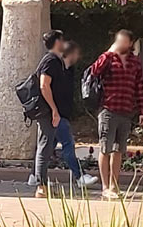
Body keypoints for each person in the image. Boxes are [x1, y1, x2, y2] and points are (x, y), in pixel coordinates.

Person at [89, 28, 143, 200]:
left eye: (123, 41)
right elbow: (94, 71)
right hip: (108, 109)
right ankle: (105, 187)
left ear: (130, 43)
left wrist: (142, 110)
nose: (120, 43)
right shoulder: (108, 58)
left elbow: (139, 86)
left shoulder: (135, 62)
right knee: (105, 148)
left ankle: (115, 186)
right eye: (118, 40)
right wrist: (109, 52)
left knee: (118, 150)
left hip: (126, 110)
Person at [53, 41, 98, 190]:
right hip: (57, 114)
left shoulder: (69, 70)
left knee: (46, 147)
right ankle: (80, 176)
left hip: (62, 114)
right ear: (70, 53)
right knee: (68, 145)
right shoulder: (56, 68)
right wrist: (54, 111)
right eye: (76, 53)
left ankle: (35, 176)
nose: (78, 56)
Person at [31, 29, 66, 197]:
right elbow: (44, 85)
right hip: (46, 111)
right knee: (45, 146)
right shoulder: (51, 60)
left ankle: (41, 182)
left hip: (48, 110)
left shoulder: (53, 60)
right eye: (62, 40)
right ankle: (41, 186)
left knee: (46, 145)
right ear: (57, 42)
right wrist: (54, 109)